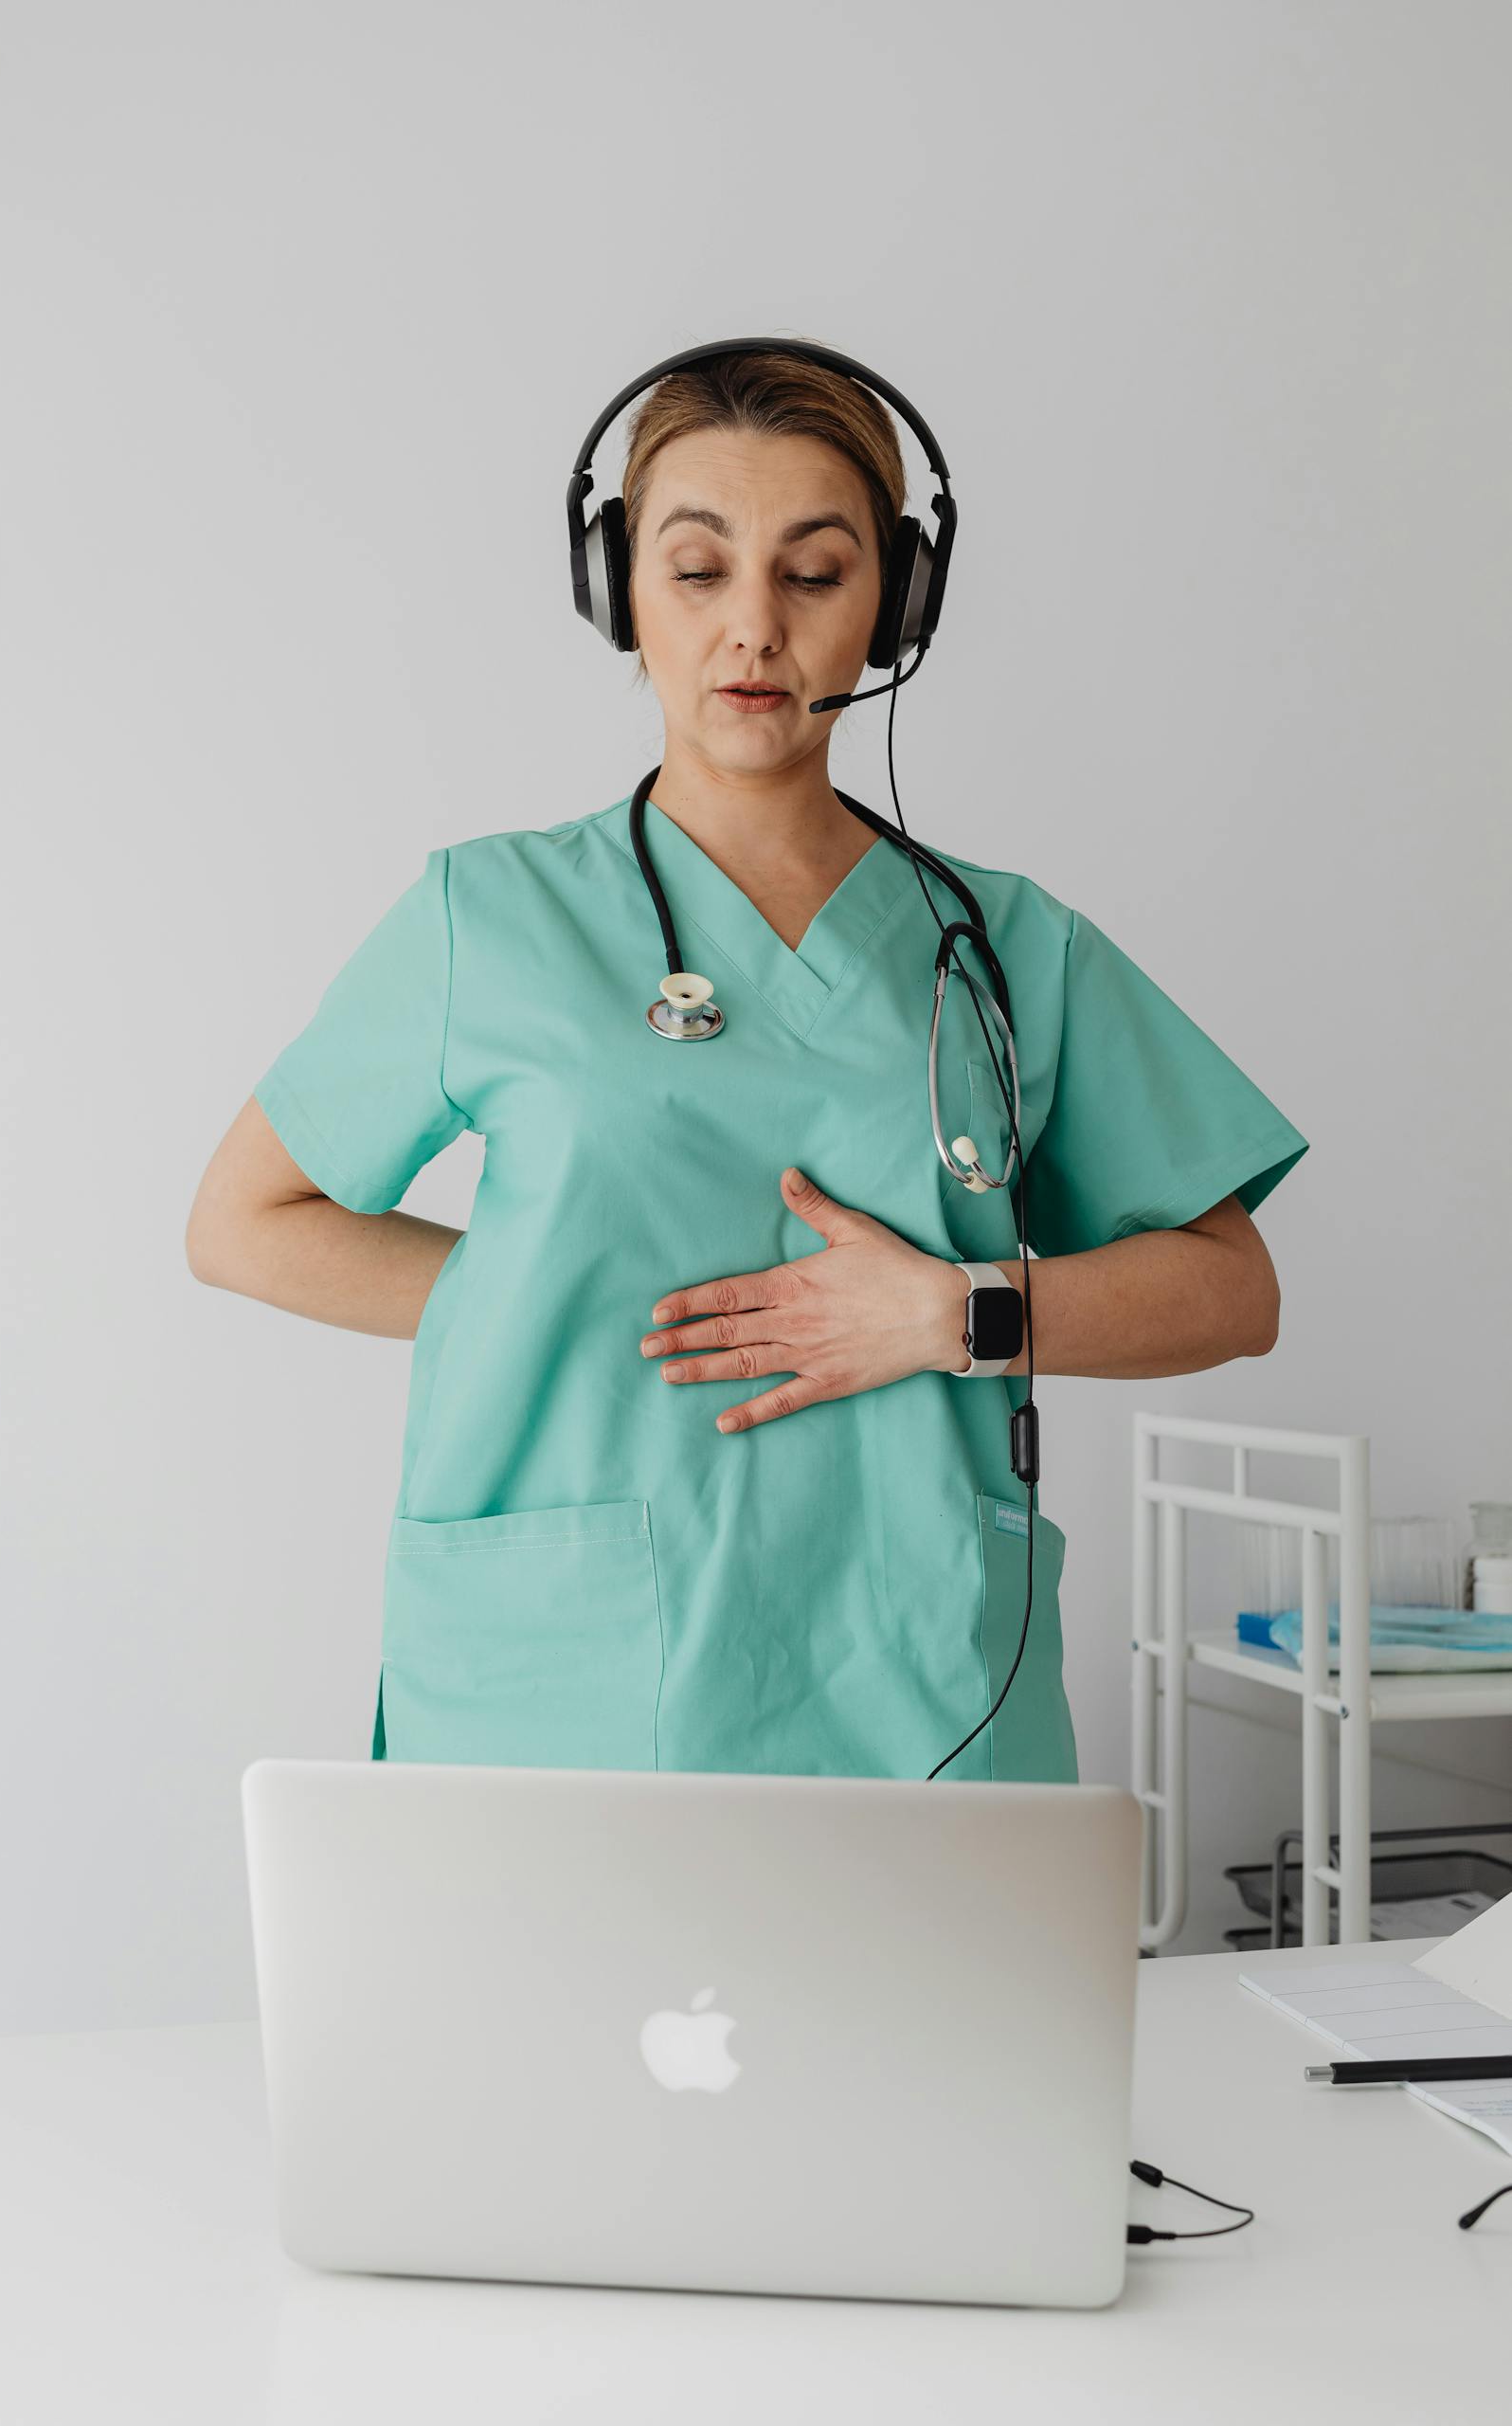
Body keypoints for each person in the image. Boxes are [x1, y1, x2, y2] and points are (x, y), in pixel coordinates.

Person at [186, 344, 1307, 1784]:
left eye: (817, 573)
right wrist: (557, 1297)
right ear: (620, 593)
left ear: (894, 605)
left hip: (919, 1681)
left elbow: (1233, 1288)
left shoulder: (1009, 946)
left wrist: (954, 1315)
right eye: (699, 569)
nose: (754, 631)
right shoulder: (489, 919)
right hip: (567, 1693)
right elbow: (244, 1224)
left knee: (931, 2011)